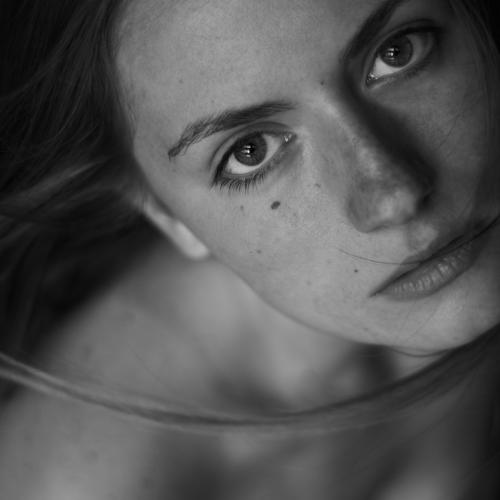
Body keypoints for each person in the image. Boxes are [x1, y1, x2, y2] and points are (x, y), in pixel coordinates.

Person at [1, 0, 499, 498]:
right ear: (164, 213)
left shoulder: (432, 285)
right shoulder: (87, 480)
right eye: (250, 151)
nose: (396, 195)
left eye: (398, 53)